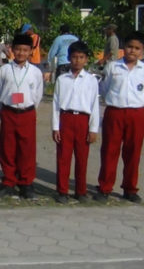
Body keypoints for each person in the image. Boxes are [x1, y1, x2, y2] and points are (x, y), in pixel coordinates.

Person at [95, 31, 144, 203]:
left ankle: (130, 188)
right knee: (109, 151)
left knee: (133, 152)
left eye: (137, 48)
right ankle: (105, 187)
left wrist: (137, 102)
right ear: (124, 48)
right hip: (115, 112)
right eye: (130, 47)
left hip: (136, 114)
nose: (132, 51)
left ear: (142, 51)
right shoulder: (113, 67)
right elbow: (105, 89)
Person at [0, 34, 44, 200]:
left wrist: (28, 109)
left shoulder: (35, 72)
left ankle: (26, 183)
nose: (21, 53)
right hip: (8, 112)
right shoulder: (4, 70)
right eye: (18, 49)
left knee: (27, 149)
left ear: (31, 52)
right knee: (7, 148)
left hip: (27, 113)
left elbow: (37, 95)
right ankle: (8, 181)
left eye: (25, 50)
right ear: (12, 50)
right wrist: (2, 111)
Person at [51, 41, 99, 204]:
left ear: (86, 60)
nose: (77, 61)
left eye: (81, 57)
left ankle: (81, 190)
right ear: (69, 58)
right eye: (74, 57)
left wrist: (93, 129)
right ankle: (62, 190)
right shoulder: (62, 79)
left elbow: (94, 105)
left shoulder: (91, 80)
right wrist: (55, 127)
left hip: (83, 120)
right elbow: (56, 104)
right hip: (66, 118)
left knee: (82, 157)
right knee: (63, 157)